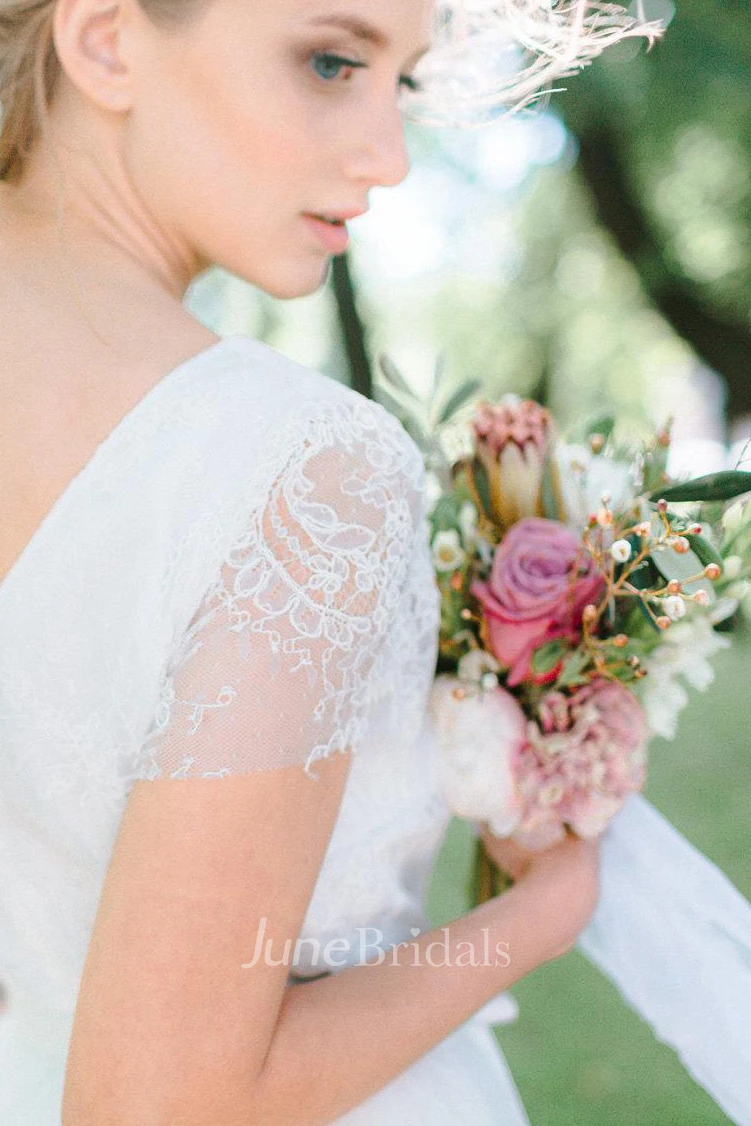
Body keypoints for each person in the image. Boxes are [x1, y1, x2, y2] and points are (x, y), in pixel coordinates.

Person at [1, 1, 725, 1125]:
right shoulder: (300, 466)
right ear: (104, 39)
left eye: (406, 84)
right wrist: (540, 909)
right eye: (331, 62)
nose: (388, 156)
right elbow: (161, 1102)